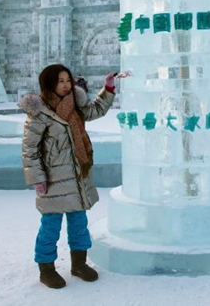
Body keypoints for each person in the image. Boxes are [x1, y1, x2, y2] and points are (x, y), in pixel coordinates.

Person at [19, 64, 124, 289]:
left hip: (77, 177)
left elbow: (95, 110)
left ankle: (79, 265)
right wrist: (37, 178)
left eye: (68, 80)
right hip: (53, 180)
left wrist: (108, 88)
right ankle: (46, 269)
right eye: (60, 81)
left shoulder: (76, 105)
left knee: (79, 224)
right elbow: (30, 149)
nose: (66, 85)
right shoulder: (40, 113)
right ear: (49, 84)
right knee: (50, 227)